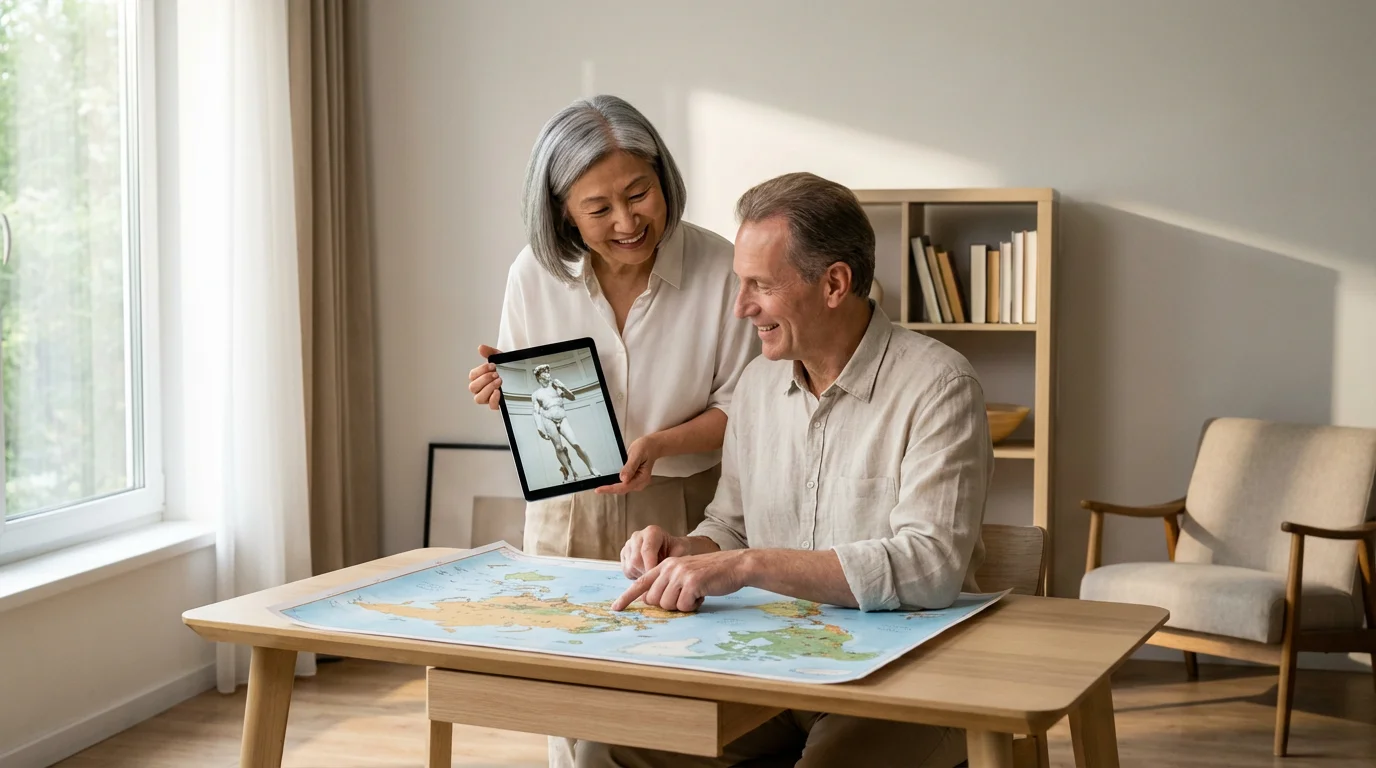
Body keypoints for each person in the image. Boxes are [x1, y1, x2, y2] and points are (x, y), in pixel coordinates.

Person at [577, 172, 995, 768]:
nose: (742, 307)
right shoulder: (755, 385)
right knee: (607, 747)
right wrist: (686, 552)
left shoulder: (940, 386)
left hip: (904, 679)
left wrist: (746, 566)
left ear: (834, 284)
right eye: (739, 285)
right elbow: (734, 525)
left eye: (760, 286)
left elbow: (930, 567)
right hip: (769, 662)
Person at [467, 95, 759, 768]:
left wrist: (658, 445)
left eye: (640, 193)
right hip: (568, 508)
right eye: (599, 209)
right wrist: (500, 392)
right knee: (568, 696)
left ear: (664, 180)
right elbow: (535, 395)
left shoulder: (719, 267)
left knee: (675, 692)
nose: (628, 221)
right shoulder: (533, 274)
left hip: (682, 507)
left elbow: (745, 412)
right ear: (562, 209)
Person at [529, 363, 598, 481]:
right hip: (548, 419)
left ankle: (592, 467)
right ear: (539, 377)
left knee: (576, 444)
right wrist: (539, 428)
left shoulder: (556, 386)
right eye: (545, 372)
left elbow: (572, 397)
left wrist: (563, 387)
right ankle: (570, 474)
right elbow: (536, 411)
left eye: (548, 371)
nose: (548, 374)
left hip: (562, 417)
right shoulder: (536, 394)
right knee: (559, 448)